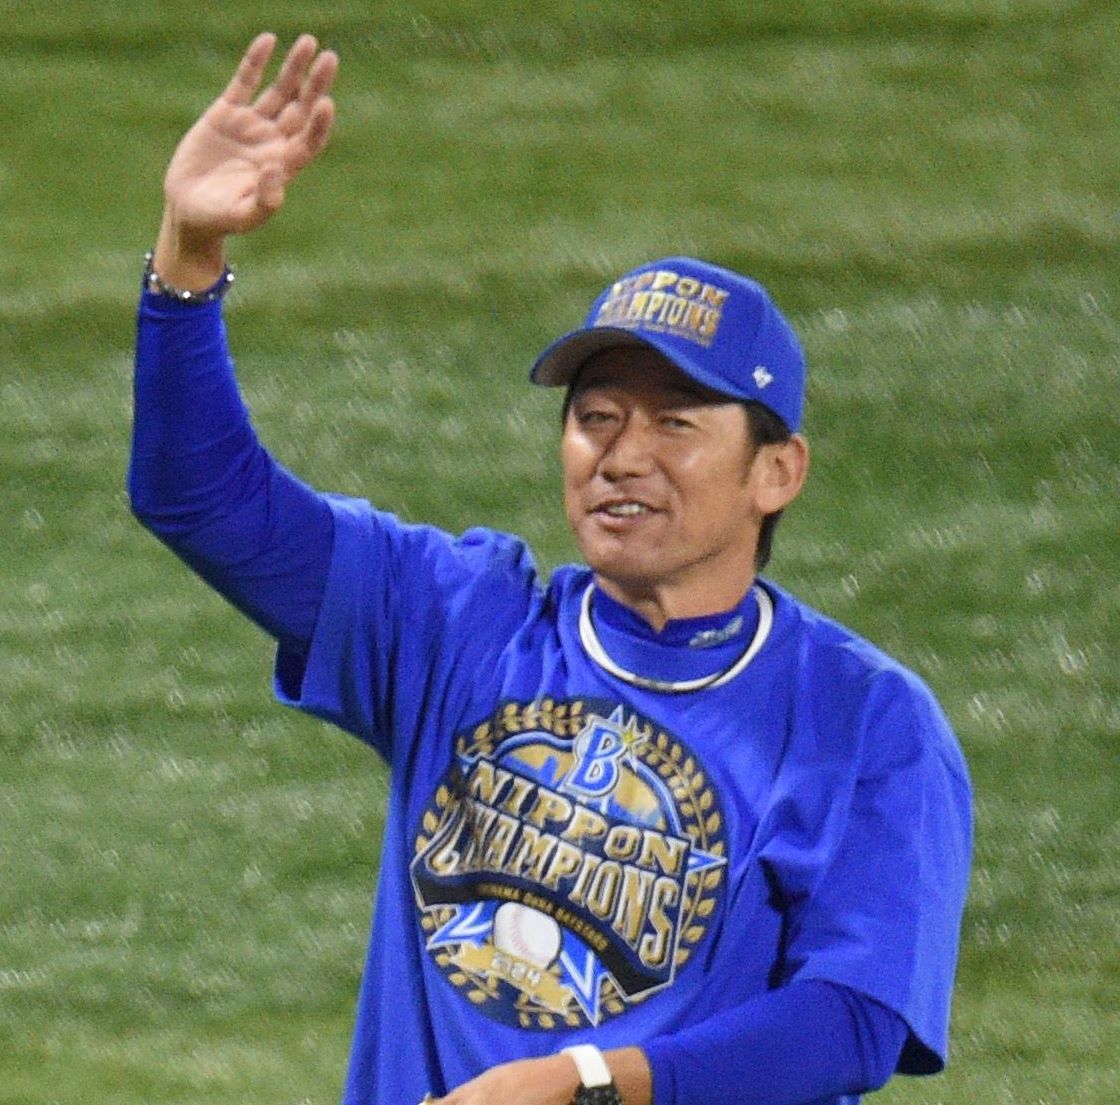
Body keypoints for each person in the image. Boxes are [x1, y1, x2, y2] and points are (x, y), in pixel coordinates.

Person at [129, 32, 972, 1105]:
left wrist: (590, 1081)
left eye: (676, 423)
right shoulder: (456, 623)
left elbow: (852, 1019)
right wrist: (189, 256)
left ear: (777, 471)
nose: (623, 456)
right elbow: (198, 495)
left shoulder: (864, 720)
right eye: (596, 418)